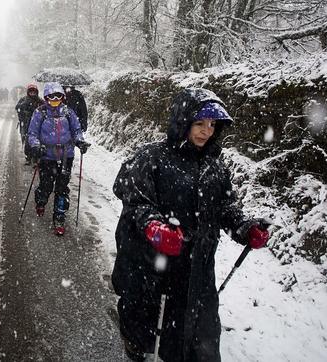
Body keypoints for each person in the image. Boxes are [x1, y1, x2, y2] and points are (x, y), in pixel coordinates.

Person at [111, 88, 270, 361]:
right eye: (199, 123)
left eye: (212, 125)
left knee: (202, 344)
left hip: (198, 272)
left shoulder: (215, 167)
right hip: (156, 268)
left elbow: (223, 207)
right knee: (147, 333)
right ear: (182, 121)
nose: (206, 131)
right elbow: (134, 200)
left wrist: (244, 227)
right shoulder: (151, 158)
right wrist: (154, 227)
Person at [27, 82, 90, 236]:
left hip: (66, 156)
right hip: (47, 157)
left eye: (58, 96)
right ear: (46, 97)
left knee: (62, 189)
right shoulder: (40, 112)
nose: (55, 99)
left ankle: (59, 218)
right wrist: (36, 146)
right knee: (46, 186)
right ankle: (41, 201)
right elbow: (32, 133)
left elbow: (76, 130)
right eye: (51, 96)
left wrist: (80, 141)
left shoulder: (68, 112)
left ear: (62, 96)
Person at [15, 83, 44, 165]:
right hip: (26, 123)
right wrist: (23, 108)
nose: (32, 94)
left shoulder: (40, 100)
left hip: (37, 124)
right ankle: (28, 157)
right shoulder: (23, 100)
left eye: (34, 92)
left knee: (37, 140)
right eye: (31, 92)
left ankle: (36, 158)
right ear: (28, 92)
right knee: (27, 140)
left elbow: (45, 108)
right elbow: (17, 108)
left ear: (36, 92)